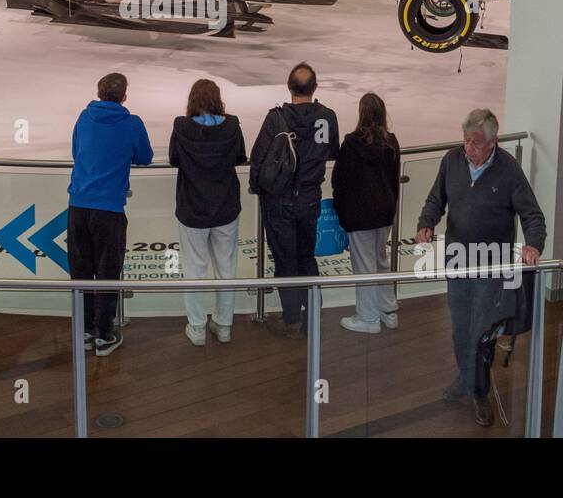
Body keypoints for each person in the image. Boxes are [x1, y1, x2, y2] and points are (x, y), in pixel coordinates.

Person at [415, 108, 545, 427]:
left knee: (481, 330)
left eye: (475, 143)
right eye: (465, 142)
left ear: (493, 141)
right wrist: (425, 224)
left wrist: (533, 245)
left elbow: (533, 215)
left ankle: (479, 392)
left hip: (492, 267)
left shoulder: (509, 171)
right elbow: (436, 200)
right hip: (458, 261)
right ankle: (467, 378)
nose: (468, 149)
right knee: (460, 326)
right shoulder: (452, 161)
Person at [248, 62, 339, 339]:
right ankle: (312, 315)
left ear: (289, 87)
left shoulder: (276, 118)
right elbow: (332, 151)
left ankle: (290, 318)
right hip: (310, 198)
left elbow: (259, 159)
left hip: (279, 200)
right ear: (314, 88)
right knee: (306, 256)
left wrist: (257, 188)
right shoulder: (327, 116)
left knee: (285, 260)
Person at [67, 72, 153, 357]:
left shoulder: (83, 117)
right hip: (109, 210)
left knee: (81, 270)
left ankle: (84, 330)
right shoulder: (131, 124)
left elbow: (76, 150)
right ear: (124, 96)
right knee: (107, 270)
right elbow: (145, 156)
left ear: (99, 92)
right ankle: (103, 333)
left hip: (78, 206)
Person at [168, 79, 248, 346]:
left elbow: (174, 158)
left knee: (194, 269)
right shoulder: (232, 126)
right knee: (226, 268)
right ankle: (224, 325)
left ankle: (197, 327)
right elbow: (240, 157)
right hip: (225, 207)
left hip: (193, 208)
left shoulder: (181, 127)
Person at [331, 92, 401, 334]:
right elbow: (393, 179)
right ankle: (388, 310)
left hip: (360, 214)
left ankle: (368, 317)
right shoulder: (391, 142)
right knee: (381, 261)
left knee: (364, 266)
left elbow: (340, 180)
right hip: (384, 212)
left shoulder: (352, 143)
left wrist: (341, 211)